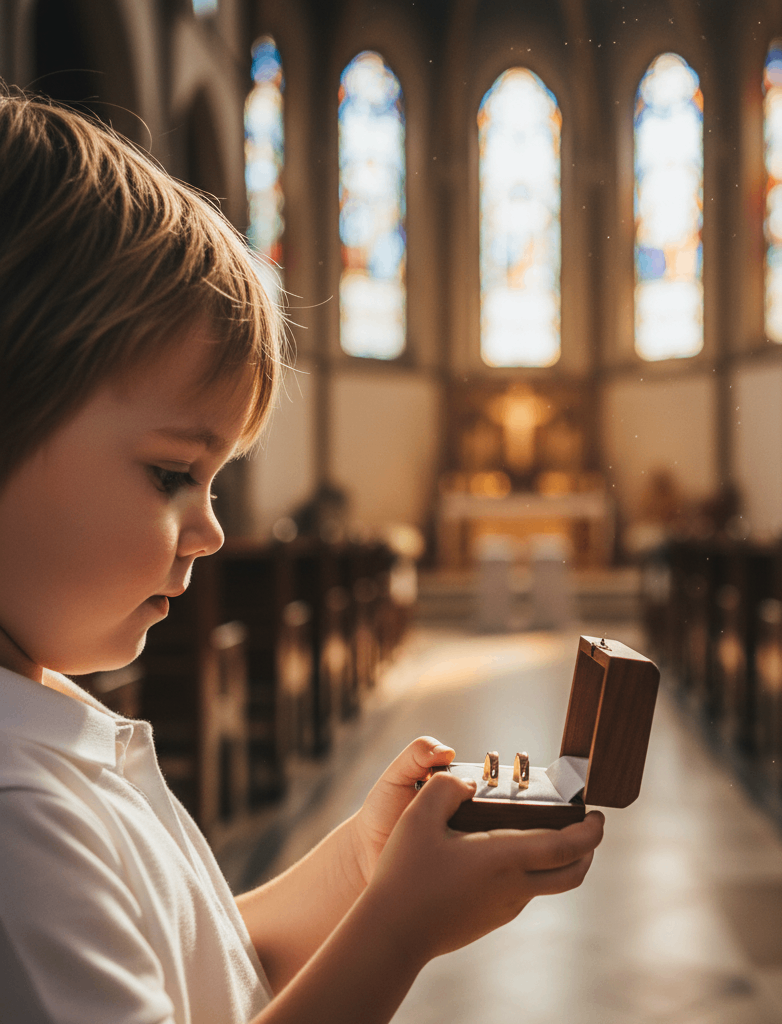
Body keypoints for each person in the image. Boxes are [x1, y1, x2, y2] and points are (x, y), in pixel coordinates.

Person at [0, 89, 605, 1023]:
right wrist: (398, 928)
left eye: (214, 483)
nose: (212, 532)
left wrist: (363, 866)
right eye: (171, 475)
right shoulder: (15, 819)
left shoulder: (44, 703)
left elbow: (197, 960)